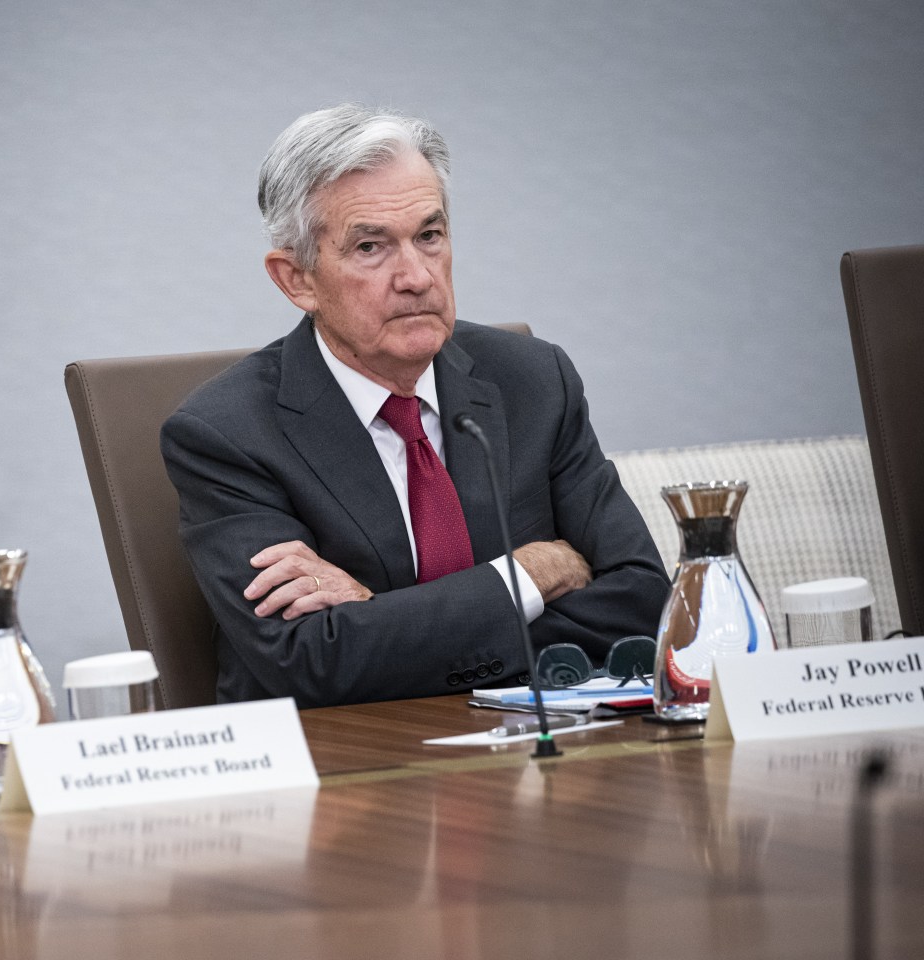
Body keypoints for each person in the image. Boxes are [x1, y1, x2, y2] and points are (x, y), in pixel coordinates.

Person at [161, 105, 670, 708]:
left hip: (526, 741)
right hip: (345, 756)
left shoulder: (533, 381)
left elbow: (644, 602)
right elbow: (309, 661)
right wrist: (530, 575)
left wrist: (379, 618)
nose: (417, 277)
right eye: (370, 246)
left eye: (429, 237)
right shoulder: (226, 433)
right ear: (298, 279)